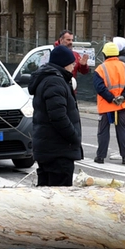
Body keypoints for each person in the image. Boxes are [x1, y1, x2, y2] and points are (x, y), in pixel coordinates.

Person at [28, 44, 83, 186]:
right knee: (59, 200)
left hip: (50, 149)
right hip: (58, 152)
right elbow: (58, 117)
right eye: (72, 64)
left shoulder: (51, 79)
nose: (73, 67)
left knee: (46, 198)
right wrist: (74, 137)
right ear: (64, 64)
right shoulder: (55, 81)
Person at [93, 40, 125, 165]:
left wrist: (111, 98)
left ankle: (100, 157)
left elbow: (99, 87)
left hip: (106, 105)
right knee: (122, 130)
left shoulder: (100, 69)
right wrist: (122, 97)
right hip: (122, 105)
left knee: (103, 131)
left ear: (105, 55)